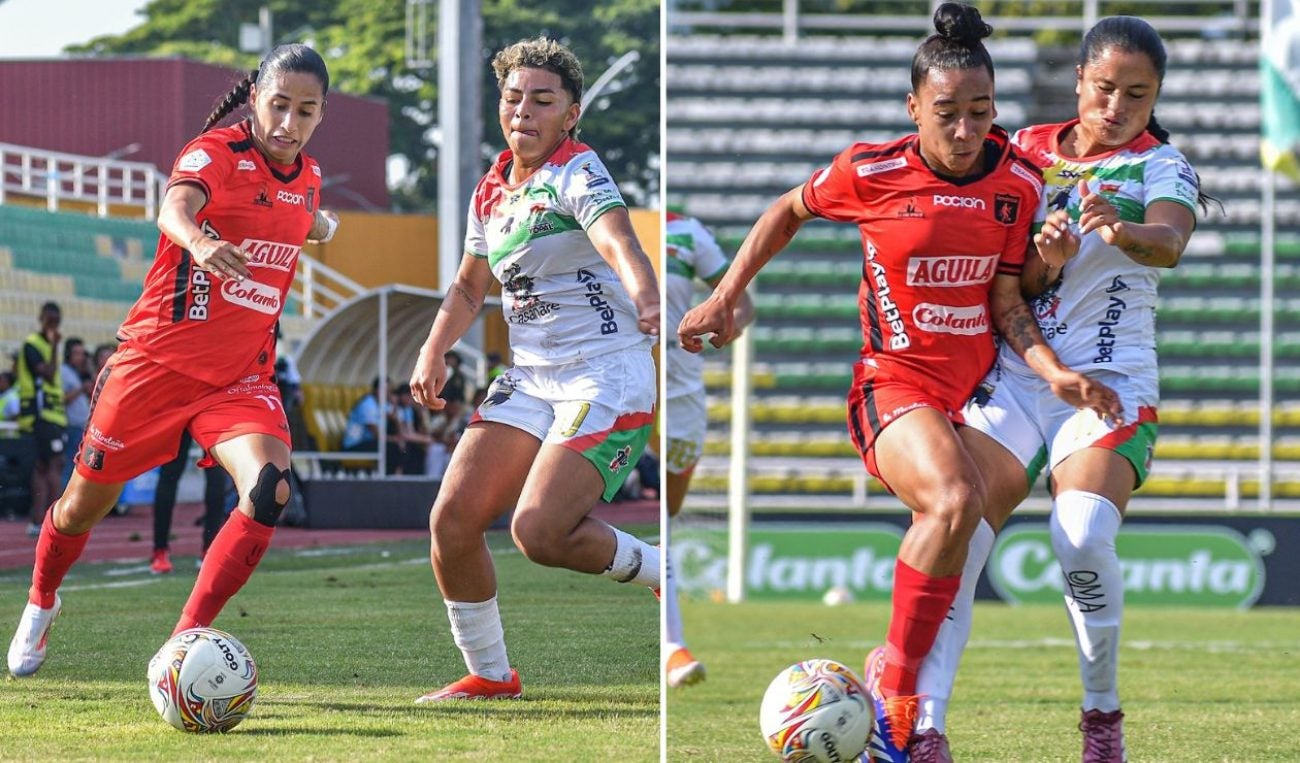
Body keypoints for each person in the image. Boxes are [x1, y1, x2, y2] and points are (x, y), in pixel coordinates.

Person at [677, 6, 1123, 761]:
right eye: (945, 113)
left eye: (980, 112)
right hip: (893, 381)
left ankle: (907, 706)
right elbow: (788, 210)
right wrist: (724, 295)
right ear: (913, 108)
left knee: (962, 527)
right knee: (954, 499)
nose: (964, 129)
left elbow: (1010, 300)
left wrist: (1053, 369)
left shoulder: (1017, 184)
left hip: (979, 392)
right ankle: (897, 693)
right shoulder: (871, 170)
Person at [912, 17, 1207, 762]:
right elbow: (1018, 279)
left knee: (1079, 536)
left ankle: (1101, 717)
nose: (1116, 107)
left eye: (1136, 95)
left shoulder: (1160, 165)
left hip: (1110, 381)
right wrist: (1048, 258)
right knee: (959, 531)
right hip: (1018, 375)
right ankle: (925, 727)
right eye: (1104, 88)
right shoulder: (1024, 151)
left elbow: (1169, 243)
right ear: (1079, 80)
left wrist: (1121, 232)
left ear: (1155, 98)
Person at [7, 43, 339, 678]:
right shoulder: (214, 151)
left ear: (320, 115)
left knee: (269, 490)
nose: (288, 124)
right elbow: (174, 208)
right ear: (255, 100)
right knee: (79, 507)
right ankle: (41, 600)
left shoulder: (310, 176)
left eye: (306, 111)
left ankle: (182, 645)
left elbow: (302, 214)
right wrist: (200, 241)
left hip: (241, 379)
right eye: (278, 106)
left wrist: (322, 224)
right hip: (154, 367)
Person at [408, 36, 661, 703]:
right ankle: (491, 675)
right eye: (514, 97)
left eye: (542, 100)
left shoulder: (578, 170)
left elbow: (617, 238)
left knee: (538, 531)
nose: (524, 110)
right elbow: (468, 288)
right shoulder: (489, 194)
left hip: (605, 373)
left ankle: (667, 572)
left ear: (570, 113)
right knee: (453, 520)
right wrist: (432, 350)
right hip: (532, 377)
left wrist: (646, 294)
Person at [662, 211, 754, 688]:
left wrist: (727, 324)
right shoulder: (586, 217)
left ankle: (668, 640)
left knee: (665, 520)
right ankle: (671, 646)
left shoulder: (685, 231)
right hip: (616, 392)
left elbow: (743, 304)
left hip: (680, 401)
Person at [150, 430, 234, 574]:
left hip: (203, 409)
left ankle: (208, 549)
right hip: (186, 409)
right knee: (171, 472)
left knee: (214, 472)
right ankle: (161, 549)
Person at [16, 303, 66, 537]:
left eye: (56, 321)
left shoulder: (45, 345)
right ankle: (54, 521)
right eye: (49, 320)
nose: (52, 325)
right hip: (41, 415)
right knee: (54, 465)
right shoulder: (33, 345)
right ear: (41, 319)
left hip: (51, 414)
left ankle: (39, 521)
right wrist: (56, 346)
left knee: (44, 466)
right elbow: (47, 373)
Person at [60, 338, 93, 490]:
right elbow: (62, 399)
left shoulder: (80, 373)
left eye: (82, 353)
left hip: (82, 426)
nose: (80, 357)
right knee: (69, 467)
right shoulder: (63, 372)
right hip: (71, 426)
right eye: (76, 353)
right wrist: (81, 389)